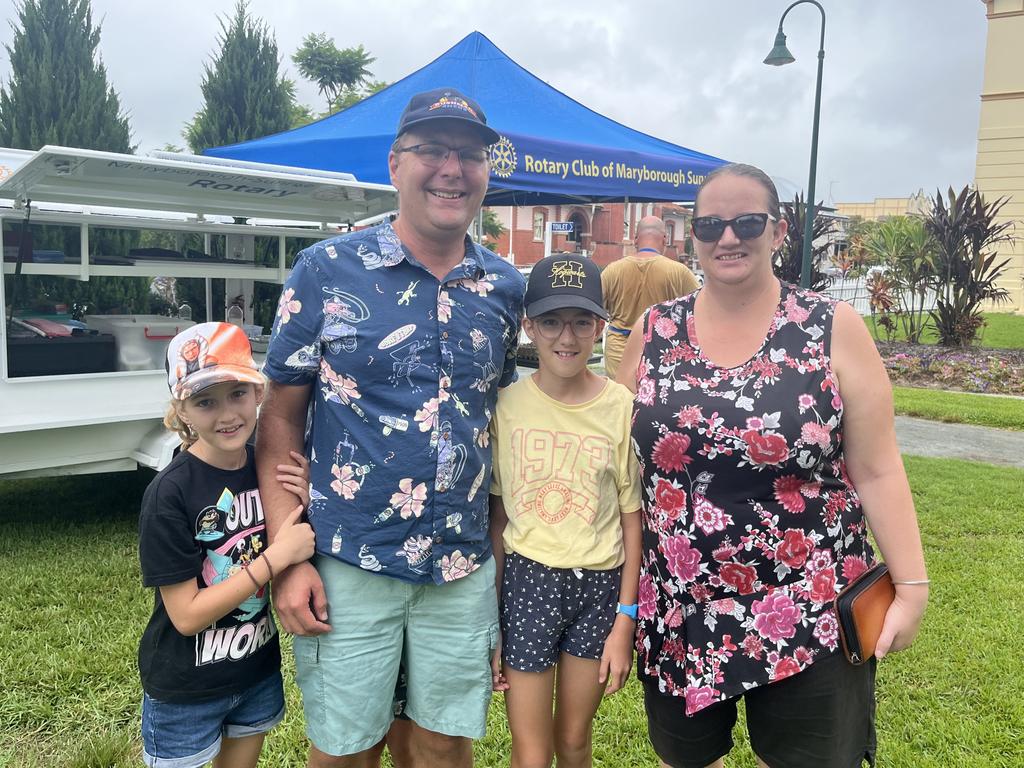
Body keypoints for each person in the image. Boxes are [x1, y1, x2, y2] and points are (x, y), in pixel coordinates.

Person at [616, 163, 928, 768]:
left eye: (746, 222)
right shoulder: (654, 330)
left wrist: (911, 586)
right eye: (710, 225)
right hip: (682, 604)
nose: (727, 237)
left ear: (778, 231)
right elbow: (618, 463)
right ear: (693, 236)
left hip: (808, 603)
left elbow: (879, 467)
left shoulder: (831, 327)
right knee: (685, 760)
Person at [256, 86, 525, 768]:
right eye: (431, 150)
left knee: (441, 745)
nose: (452, 168)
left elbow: (494, 419)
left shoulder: (505, 289)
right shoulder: (325, 270)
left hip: (460, 564)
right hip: (349, 555)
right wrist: (288, 560)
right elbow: (279, 419)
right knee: (348, 747)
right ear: (395, 164)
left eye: (469, 154)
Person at [137, 322, 315, 768]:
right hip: (185, 690)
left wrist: (314, 499)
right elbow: (186, 616)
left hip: (254, 672)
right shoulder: (169, 494)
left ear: (259, 394)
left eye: (238, 393)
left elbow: (302, 534)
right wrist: (273, 561)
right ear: (181, 411)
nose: (227, 414)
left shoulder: (267, 469)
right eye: (205, 401)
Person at [488, 254, 642, 768]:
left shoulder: (620, 406)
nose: (567, 338)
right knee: (531, 752)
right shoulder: (507, 406)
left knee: (574, 739)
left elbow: (630, 517)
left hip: (599, 590)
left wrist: (626, 618)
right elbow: (498, 516)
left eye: (581, 321)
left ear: (600, 326)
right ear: (528, 326)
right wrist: (492, 616)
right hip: (528, 583)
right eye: (551, 321)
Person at [600, 215, 699, 379]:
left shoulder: (612, 270)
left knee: (621, 399)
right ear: (665, 239)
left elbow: (595, 311)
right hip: (663, 350)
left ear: (635, 239)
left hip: (619, 349)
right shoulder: (679, 272)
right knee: (656, 400)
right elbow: (702, 308)